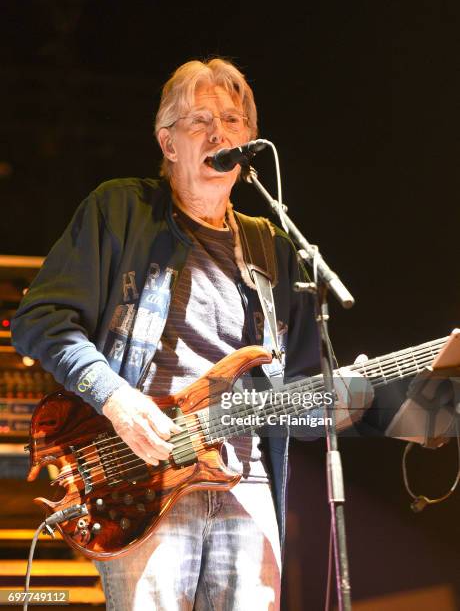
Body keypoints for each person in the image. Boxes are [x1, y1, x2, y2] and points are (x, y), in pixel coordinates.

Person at [12, 58, 359, 610]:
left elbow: (303, 396)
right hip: (144, 480)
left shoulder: (273, 245)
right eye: (200, 120)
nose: (219, 133)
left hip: (246, 482)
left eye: (233, 121)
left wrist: (371, 398)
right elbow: (39, 321)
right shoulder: (120, 210)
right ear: (168, 144)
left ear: (248, 147)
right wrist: (117, 398)